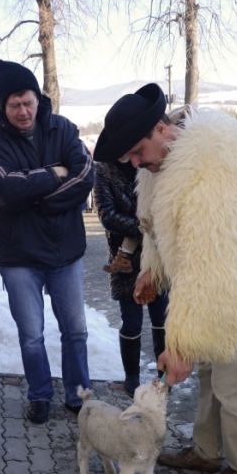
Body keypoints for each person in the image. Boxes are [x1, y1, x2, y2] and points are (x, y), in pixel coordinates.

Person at [93, 83, 237, 474]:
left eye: (137, 151)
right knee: (212, 379)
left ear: (160, 128)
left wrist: (180, 345)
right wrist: (151, 271)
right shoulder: (164, 162)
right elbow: (159, 227)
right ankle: (207, 453)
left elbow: (217, 266)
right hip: (213, 289)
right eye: (128, 157)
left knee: (236, 388)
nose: (135, 162)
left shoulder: (215, 165)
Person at [0, 60, 94, 424]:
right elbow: (7, 191)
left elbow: (85, 176)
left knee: (76, 330)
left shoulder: (63, 128)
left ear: (37, 98)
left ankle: (78, 393)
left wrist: (39, 198)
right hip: (20, 256)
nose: (23, 111)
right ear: (4, 106)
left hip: (65, 250)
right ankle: (40, 394)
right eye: (14, 105)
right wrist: (54, 173)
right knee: (31, 335)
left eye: (27, 102)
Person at [94, 159, 168, 397]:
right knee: (132, 322)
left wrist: (151, 228)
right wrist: (146, 227)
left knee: (162, 319)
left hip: (159, 256)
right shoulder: (104, 171)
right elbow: (107, 216)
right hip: (124, 260)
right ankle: (132, 378)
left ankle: (164, 378)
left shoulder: (153, 162)